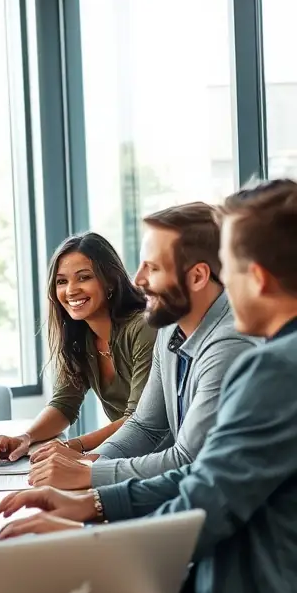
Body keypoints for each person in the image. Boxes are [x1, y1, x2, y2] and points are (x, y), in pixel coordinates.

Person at [0, 179, 297, 593]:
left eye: (231, 269)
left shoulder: (271, 367)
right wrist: (89, 508)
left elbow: (206, 500)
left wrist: (93, 544)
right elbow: (203, 481)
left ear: (257, 277)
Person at [26, 203, 253, 492]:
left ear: (197, 277)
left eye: (153, 267)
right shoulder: (171, 329)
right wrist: (90, 463)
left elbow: (188, 458)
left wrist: (89, 474)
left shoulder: (228, 346)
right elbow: (145, 426)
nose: (137, 279)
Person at [0, 232, 156, 465]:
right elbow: (64, 404)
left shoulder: (143, 328)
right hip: (123, 457)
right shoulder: (80, 336)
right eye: (61, 281)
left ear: (111, 280)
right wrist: (25, 438)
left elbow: (138, 419)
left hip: (159, 459)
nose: (71, 290)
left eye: (84, 278)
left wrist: (70, 446)